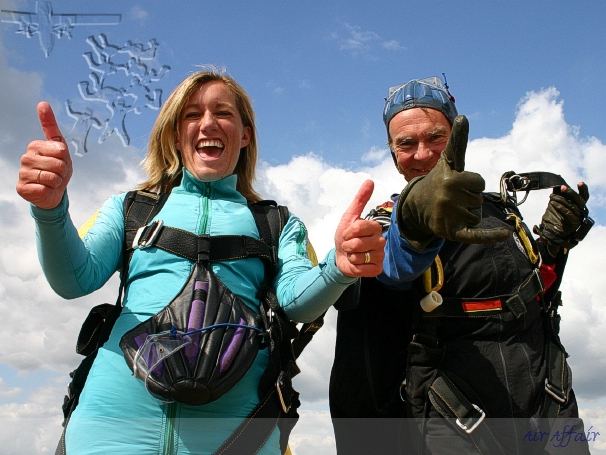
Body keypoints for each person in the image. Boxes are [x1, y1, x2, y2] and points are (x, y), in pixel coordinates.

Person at [16, 68, 385, 455]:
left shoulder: (277, 223)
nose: (207, 122)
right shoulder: (130, 209)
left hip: (238, 436)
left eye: (223, 112)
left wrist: (339, 267)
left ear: (245, 135)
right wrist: (50, 209)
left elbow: (297, 301)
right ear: (176, 135)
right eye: (192, 115)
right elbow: (74, 279)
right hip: (109, 431)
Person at [330, 76, 592, 454]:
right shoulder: (388, 221)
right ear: (393, 154)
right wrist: (417, 224)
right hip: (454, 420)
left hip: (549, 407)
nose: (422, 153)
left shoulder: (503, 212)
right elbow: (392, 269)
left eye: (436, 137)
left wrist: (552, 247)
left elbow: (535, 296)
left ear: (455, 136)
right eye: (406, 143)